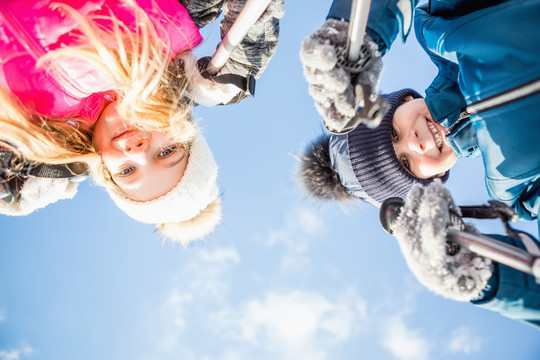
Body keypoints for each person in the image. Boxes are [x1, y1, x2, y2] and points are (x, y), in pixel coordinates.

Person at [297, 0, 540, 327]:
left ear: (404, 100)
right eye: (408, 164)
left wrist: (355, 34)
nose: (418, 142)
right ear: (436, 178)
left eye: (394, 133)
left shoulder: (448, 26)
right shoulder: (520, 186)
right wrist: (487, 276)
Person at [0, 0, 284, 245]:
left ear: (101, 169)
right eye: (165, 152)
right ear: (182, 127)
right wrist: (240, 67)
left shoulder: (36, 129)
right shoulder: (159, 29)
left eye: (126, 170)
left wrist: (24, 171)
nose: (137, 150)